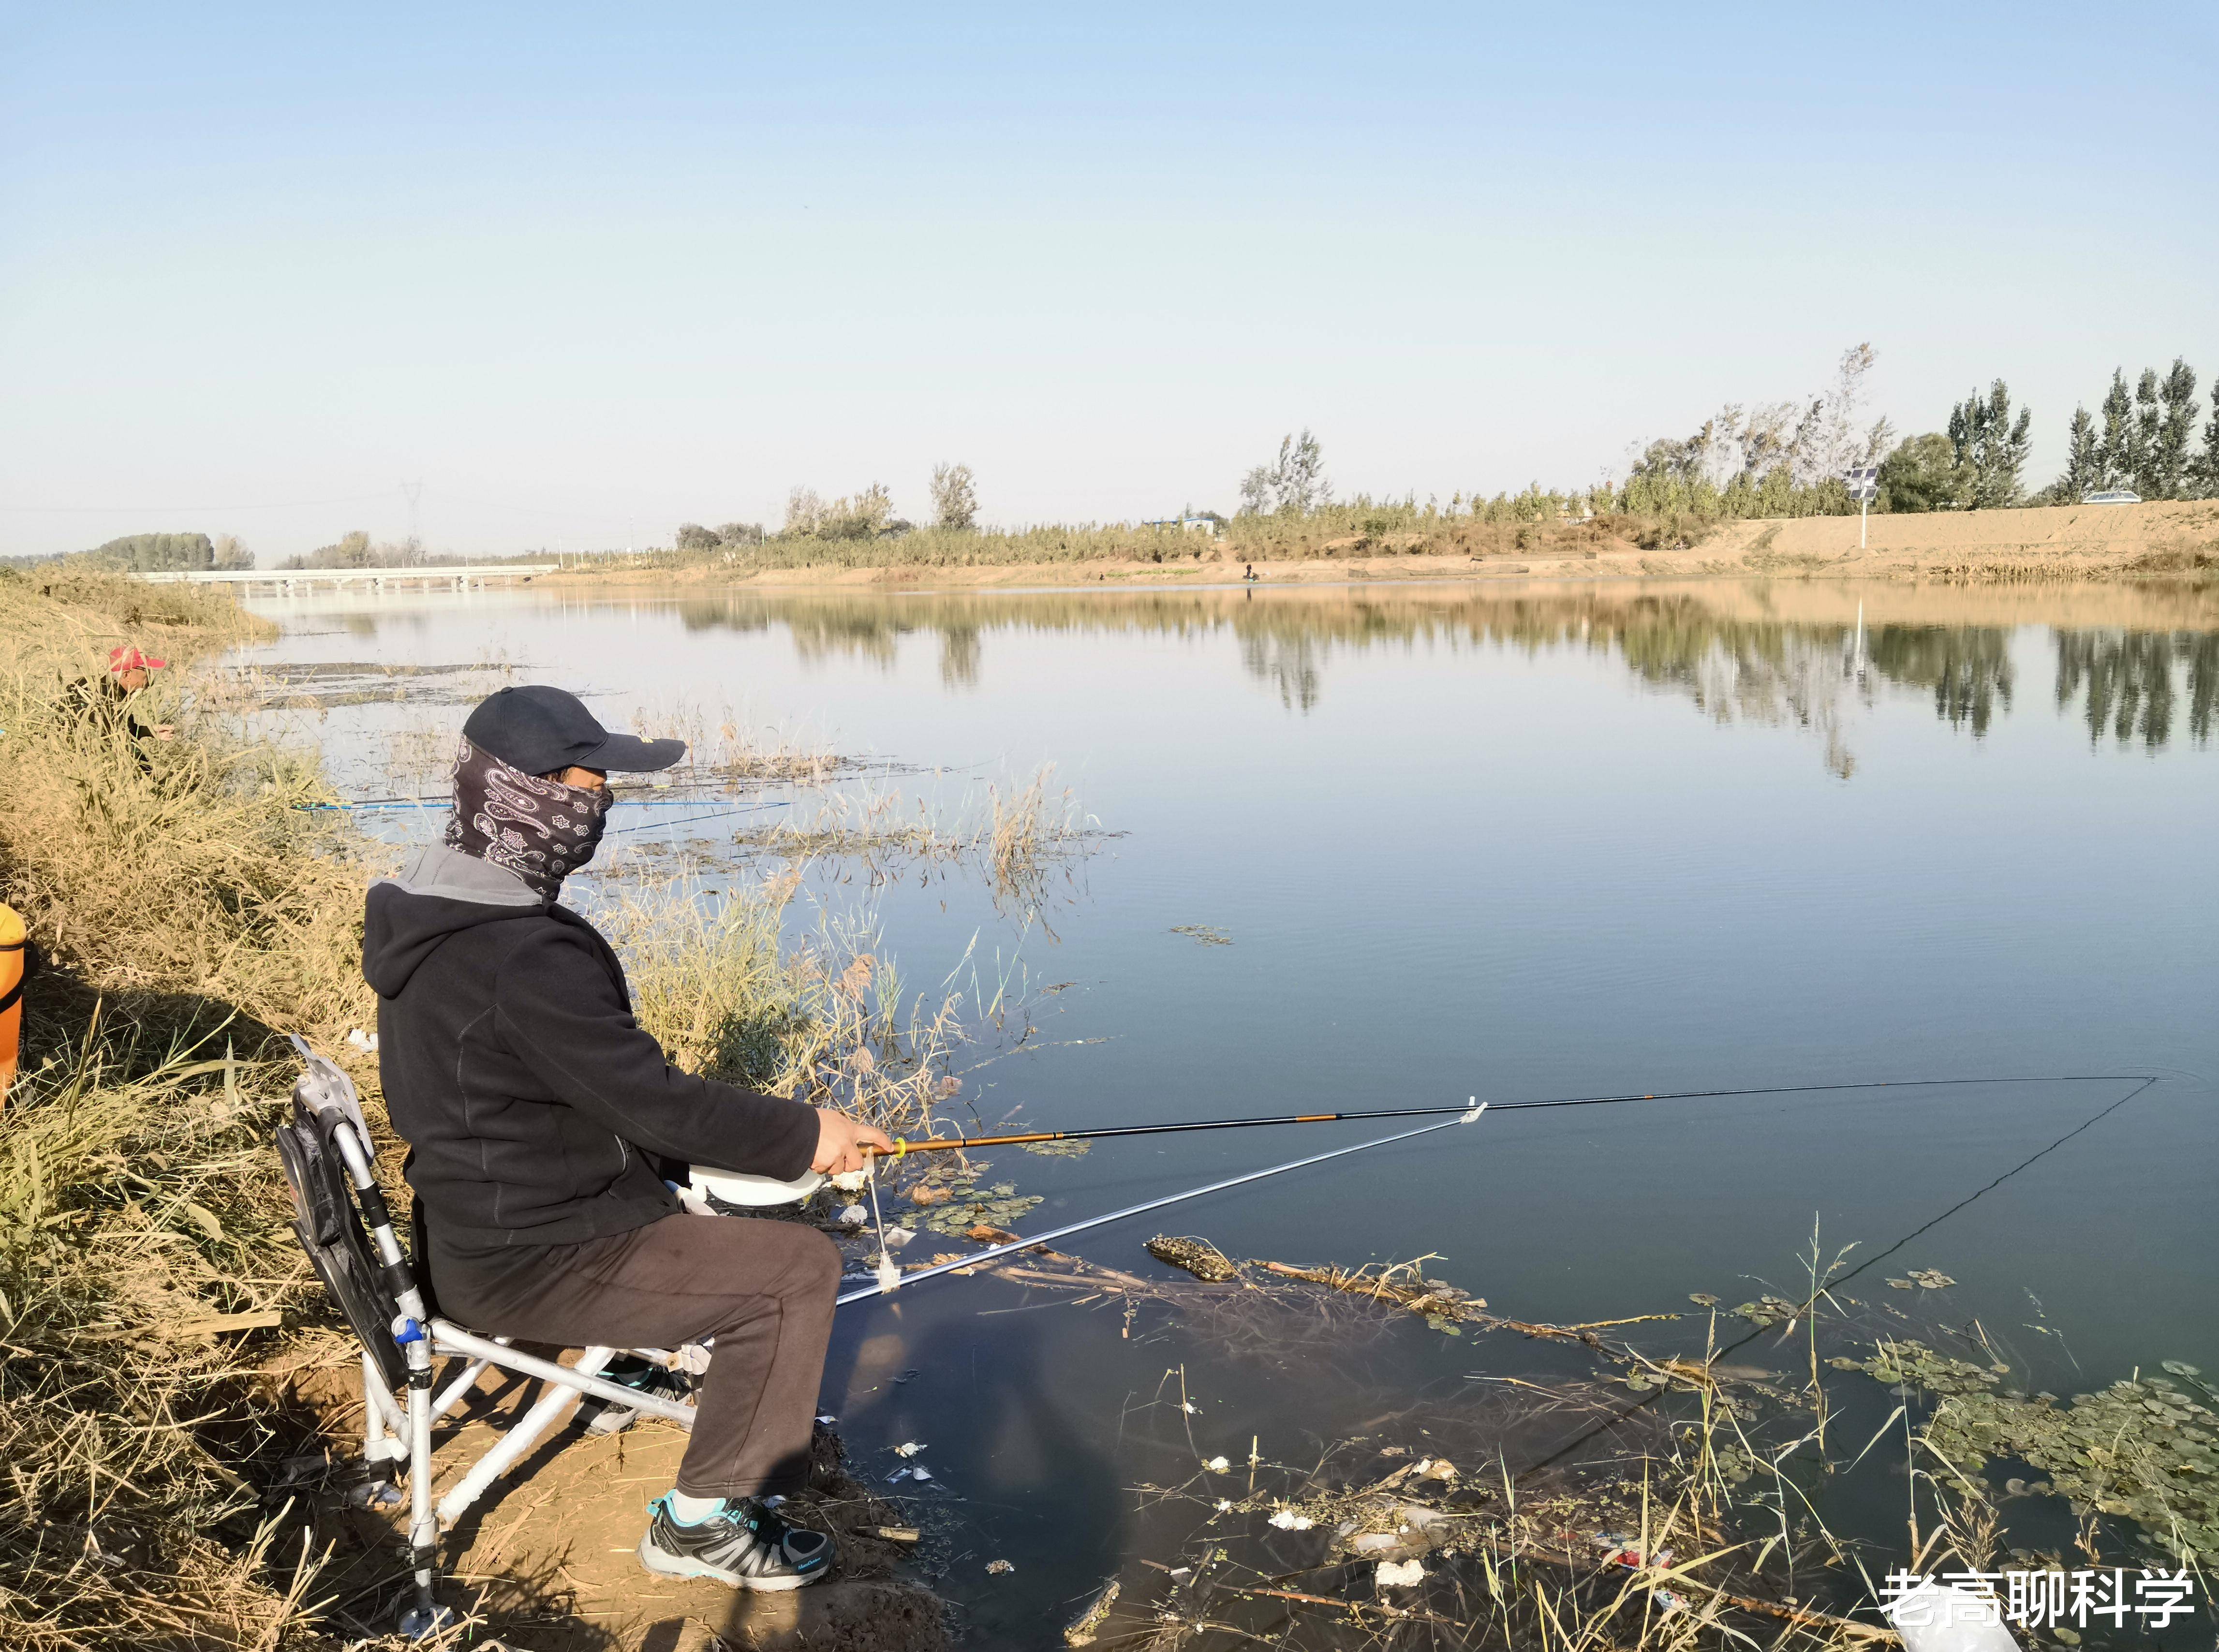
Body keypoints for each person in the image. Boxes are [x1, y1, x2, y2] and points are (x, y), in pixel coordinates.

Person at [362, 684, 889, 1592]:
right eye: (588, 781)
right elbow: (657, 1105)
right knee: (796, 1273)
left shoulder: (431, 900)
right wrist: (811, 1131)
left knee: (701, 1194)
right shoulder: (519, 955)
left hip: (474, 1221)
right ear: (524, 794)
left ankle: (646, 1370)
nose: (601, 801)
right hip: (527, 1255)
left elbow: (597, 1096)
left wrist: (717, 1146)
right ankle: (701, 1523)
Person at [64, 645, 176, 745]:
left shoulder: (102, 686)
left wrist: (151, 731)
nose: (150, 677)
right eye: (146, 671)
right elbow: (111, 740)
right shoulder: (107, 698)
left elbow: (120, 730)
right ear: (127, 675)